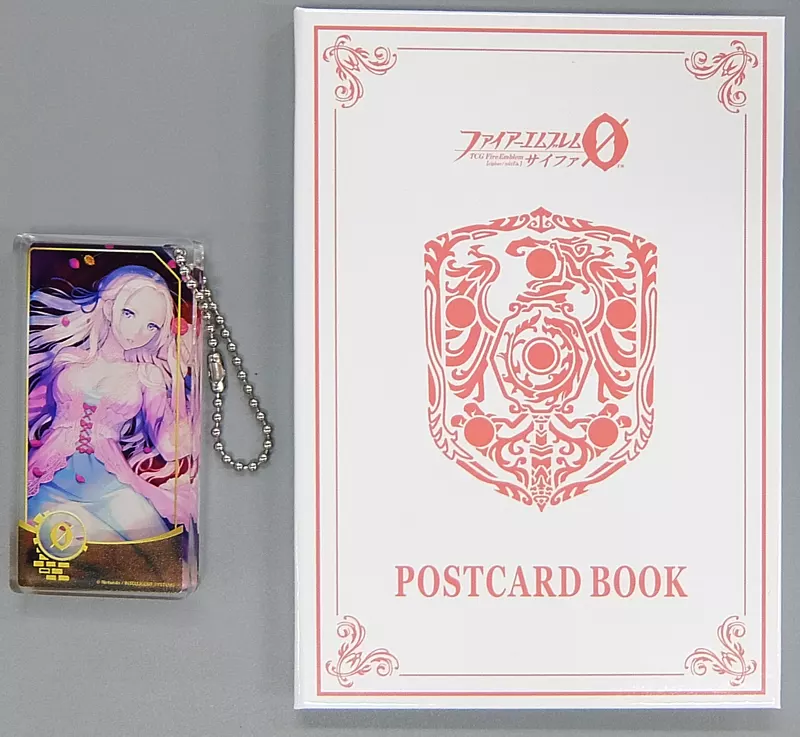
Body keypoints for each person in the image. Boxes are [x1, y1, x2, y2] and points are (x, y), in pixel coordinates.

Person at [26, 264, 197, 542]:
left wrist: (177, 378)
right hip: (48, 477)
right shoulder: (68, 358)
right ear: (108, 307)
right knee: (74, 544)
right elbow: (25, 413)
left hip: (112, 482)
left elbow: (171, 447)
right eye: (129, 314)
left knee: (158, 553)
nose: (137, 332)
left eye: (151, 326)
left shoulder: (147, 375)